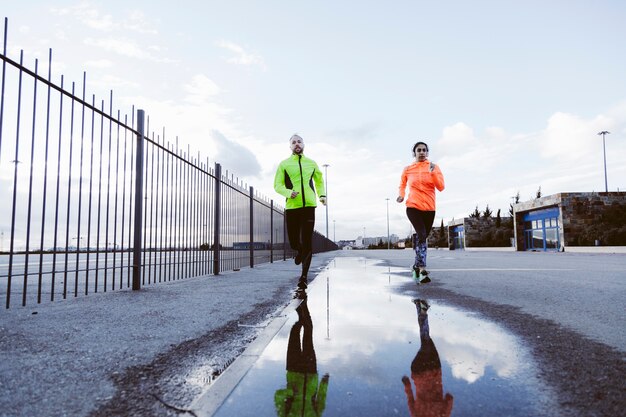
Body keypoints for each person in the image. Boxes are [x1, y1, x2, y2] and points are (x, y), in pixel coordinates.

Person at [274, 134, 326, 289]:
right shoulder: (284, 164)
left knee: (308, 241)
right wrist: (289, 193)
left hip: (309, 206)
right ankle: (299, 250)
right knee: (294, 241)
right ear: (290, 147)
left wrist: (322, 195)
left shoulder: (311, 163)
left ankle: (303, 277)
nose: (297, 144)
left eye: (299, 141)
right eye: (293, 142)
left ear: (304, 144)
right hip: (292, 207)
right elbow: (277, 185)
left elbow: (319, 180)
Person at [397, 141, 445, 283]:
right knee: (422, 235)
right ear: (414, 153)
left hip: (429, 209)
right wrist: (401, 195)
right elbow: (402, 184)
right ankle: (423, 269)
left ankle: (415, 267)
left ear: (427, 152)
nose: (422, 152)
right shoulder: (407, 169)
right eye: (419, 150)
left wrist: (433, 173)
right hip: (413, 206)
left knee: (421, 237)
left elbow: (441, 187)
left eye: (424, 150)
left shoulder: (434, 167)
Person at [274, 295, 330, 416]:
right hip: (310, 372)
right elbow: (321, 401)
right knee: (308, 331)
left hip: (293, 370)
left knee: (295, 331)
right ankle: (302, 307)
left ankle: (300, 310)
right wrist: (324, 383)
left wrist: (290, 393)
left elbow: (278, 395)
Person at [401, 299, 454, 417]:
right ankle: (419, 308)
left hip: (434, 371)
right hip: (418, 371)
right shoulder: (416, 415)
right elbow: (410, 398)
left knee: (426, 339)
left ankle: (422, 311)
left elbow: (449, 398)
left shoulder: (443, 415)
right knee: (425, 340)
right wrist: (406, 384)